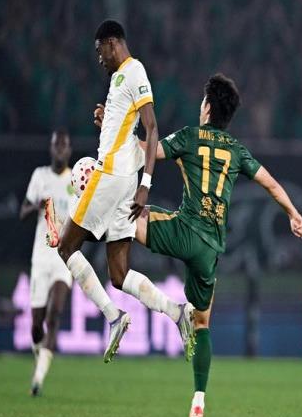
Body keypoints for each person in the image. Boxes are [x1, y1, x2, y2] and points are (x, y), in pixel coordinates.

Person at [94, 73, 302, 417]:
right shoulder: (236, 150)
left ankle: (81, 237)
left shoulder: (190, 137)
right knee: (203, 324)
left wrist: (111, 130)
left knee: (123, 213)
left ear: (207, 106)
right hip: (210, 249)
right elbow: (270, 183)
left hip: (182, 232)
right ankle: (198, 400)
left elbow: (146, 150)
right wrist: (293, 214)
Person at [53, 20, 195, 364]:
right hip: (123, 180)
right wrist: (108, 120)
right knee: (118, 275)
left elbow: (152, 127)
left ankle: (114, 317)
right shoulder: (119, 79)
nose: (99, 58)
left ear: (112, 43)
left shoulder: (134, 71)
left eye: (99, 50)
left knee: (66, 246)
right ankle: (177, 312)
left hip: (112, 176)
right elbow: (128, 129)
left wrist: (147, 185)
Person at [20, 129, 75, 396]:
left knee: (55, 314)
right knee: (36, 324)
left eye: (64, 145)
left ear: (69, 149)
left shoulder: (77, 179)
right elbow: (22, 212)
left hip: (64, 258)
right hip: (40, 258)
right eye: (57, 145)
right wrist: (37, 206)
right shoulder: (39, 176)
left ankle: (39, 379)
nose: (60, 149)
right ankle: (38, 357)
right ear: (51, 148)